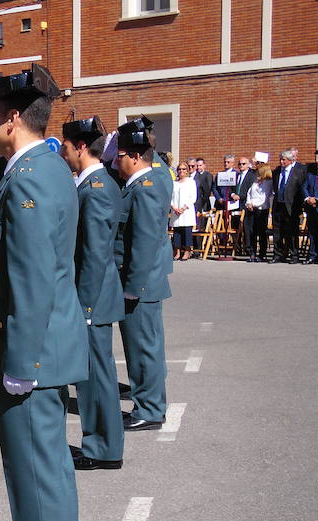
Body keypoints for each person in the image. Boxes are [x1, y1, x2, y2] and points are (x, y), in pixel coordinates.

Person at [0, 64, 88, 521]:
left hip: (33, 351)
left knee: (38, 470)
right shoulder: (44, 169)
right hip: (41, 346)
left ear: (12, 117)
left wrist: (21, 361)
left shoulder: (28, 178)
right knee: (42, 468)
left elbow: (32, 277)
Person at [60, 116, 125, 471]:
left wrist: (83, 305)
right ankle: (100, 443)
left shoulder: (96, 188)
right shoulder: (93, 184)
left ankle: (103, 447)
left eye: (67, 147)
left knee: (97, 378)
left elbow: (96, 254)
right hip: (94, 298)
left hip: (93, 300)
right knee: (94, 376)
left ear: (81, 146)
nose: (64, 153)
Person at [115, 118, 174, 432]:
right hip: (139, 282)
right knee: (141, 348)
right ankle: (146, 401)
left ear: (136, 157)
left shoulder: (148, 185)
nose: (117, 160)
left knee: (144, 349)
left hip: (140, 284)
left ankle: (150, 409)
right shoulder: (141, 183)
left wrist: (132, 286)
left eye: (121, 155)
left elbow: (144, 241)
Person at [270, 149, 305, 263]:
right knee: (277, 231)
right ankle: (277, 255)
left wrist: (300, 206)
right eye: (280, 159)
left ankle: (294, 254)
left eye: (284, 160)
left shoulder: (298, 172)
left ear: (290, 160)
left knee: (292, 231)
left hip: (291, 206)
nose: (281, 162)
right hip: (278, 205)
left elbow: (300, 190)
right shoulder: (277, 172)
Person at [244, 163, 273, 262]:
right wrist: (249, 203)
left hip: (261, 210)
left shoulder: (268, 182)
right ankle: (252, 252)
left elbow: (264, 197)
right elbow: (249, 193)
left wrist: (254, 204)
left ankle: (261, 254)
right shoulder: (255, 182)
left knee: (261, 232)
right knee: (251, 232)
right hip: (251, 209)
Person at [170, 161, 198, 260]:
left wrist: (184, 208)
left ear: (187, 171)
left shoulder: (191, 182)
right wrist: (173, 207)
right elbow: (171, 197)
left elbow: (193, 197)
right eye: (179, 169)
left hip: (186, 211)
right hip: (176, 211)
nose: (181, 171)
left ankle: (186, 252)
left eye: (183, 169)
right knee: (177, 232)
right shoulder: (174, 183)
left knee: (186, 232)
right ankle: (177, 252)